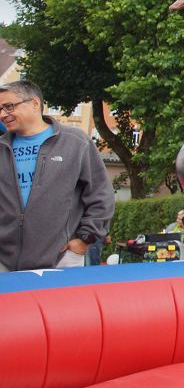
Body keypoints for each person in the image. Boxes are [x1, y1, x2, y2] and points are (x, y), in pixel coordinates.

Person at [0, 80, 114, 271]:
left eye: (9, 106)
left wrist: (84, 240)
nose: (3, 114)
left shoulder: (76, 143)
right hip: (4, 263)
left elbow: (101, 196)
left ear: (35, 103)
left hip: (61, 260)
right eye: (0, 109)